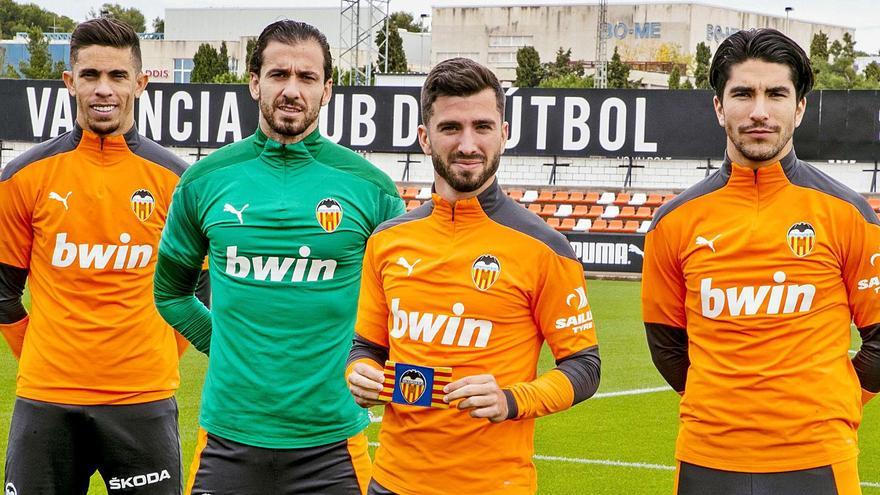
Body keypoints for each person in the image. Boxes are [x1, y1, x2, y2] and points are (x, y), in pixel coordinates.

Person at [153, 20, 404, 495]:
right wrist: (225, 345)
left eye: (307, 77)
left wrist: (372, 364)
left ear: (328, 89)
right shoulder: (205, 180)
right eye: (278, 74)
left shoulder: (371, 189)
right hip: (228, 438)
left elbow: (404, 306)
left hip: (333, 443)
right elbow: (170, 293)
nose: (292, 90)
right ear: (254, 82)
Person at [346, 57, 601, 495]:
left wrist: (511, 399)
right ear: (425, 138)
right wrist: (361, 370)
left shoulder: (544, 247)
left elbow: (583, 366)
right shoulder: (387, 241)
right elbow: (367, 345)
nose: (468, 144)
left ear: (504, 133)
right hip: (391, 482)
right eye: (450, 128)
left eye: (482, 126)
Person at [642, 28, 880, 495]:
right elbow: (666, 343)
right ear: (718, 106)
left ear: (799, 108)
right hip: (706, 456)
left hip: (818, 456)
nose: (758, 112)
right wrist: (720, 404)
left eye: (776, 94)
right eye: (742, 94)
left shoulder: (848, 213)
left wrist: (841, 399)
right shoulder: (673, 222)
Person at [0, 17, 207, 495]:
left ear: (141, 82)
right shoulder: (24, 177)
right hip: (46, 401)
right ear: (69, 82)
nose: (103, 90)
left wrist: (154, 352)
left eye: (116, 76)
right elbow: (3, 290)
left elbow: (200, 287)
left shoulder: (179, 183)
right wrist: (44, 354)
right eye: (90, 75)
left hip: (143, 401)